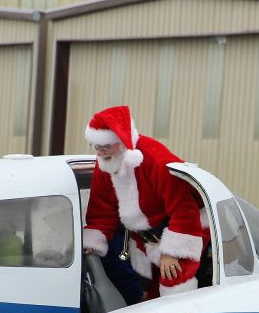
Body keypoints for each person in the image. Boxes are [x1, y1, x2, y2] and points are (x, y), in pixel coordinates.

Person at [82, 105, 208, 297]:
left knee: (174, 284)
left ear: (122, 141)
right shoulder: (106, 164)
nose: (99, 153)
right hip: (145, 236)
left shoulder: (155, 159)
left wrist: (171, 252)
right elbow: (103, 209)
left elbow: (184, 207)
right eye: (96, 146)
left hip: (185, 226)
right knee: (148, 289)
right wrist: (93, 242)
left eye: (105, 146)